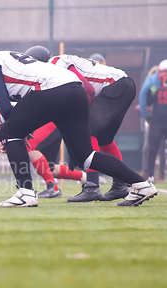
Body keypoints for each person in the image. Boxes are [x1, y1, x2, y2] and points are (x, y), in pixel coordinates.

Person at [0, 44, 157, 207]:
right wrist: (23, 127)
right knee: (85, 156)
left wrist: (16, 131)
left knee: (8, 130)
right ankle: (141, 184)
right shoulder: (11, 59)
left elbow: (5, 106)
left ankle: (26, 193)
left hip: (52, 90)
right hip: (75, 89)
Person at [24, 45, 135, 202]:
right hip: (122, 84)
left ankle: (92, 187)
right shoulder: (56, 66)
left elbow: (87, 89)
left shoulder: (56, 64)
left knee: (88, 132)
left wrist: (79, 118)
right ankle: (119, 185)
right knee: (105, 140)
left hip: (114, 85)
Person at [0, 100, 87, 199]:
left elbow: (22, 122)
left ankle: (53, 188)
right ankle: (85, 178)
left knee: (29, 148)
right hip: (38, 126)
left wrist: (3, 142)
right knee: (48, 169)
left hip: (46, 120)